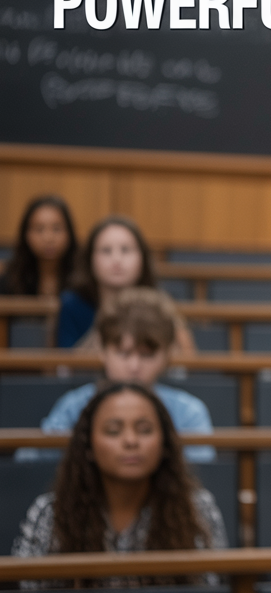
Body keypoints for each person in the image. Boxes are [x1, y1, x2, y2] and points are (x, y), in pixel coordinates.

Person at [12, 383, 227, 589]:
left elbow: (209, 586)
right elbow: (27, 586)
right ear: (88, 445)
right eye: (113, 431)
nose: (131, 441)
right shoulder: (51, 512)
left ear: (164, 444)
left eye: (144, 430)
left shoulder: (196, 508)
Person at [33, 287, 215, 463]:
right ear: (103, 351)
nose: (134, 366)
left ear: (167, 356)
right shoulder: (73, 407)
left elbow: (201, 481)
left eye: (146, 355)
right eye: (123, 353)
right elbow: (29, 467)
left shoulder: (189, 413)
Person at [56, 215, 194, 355]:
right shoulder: (72, 304)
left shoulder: (160, 304)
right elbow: (65, 369)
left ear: (142, 258)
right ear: (90, 259)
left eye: (126, 250)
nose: (117, 259)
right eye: (106, 250)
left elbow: (187, 361)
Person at [0, 195, 78, 297]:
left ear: (69, 233)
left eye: (56, 228)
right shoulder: (11, 277)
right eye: (39, 229)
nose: (48, 238)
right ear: (26, 234)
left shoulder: (85, 278)